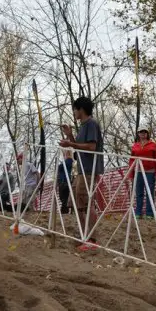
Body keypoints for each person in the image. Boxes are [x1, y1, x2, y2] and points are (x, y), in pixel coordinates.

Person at [60, 96, 104, 251]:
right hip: (81, 170)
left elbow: (91, 147)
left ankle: (92, 239)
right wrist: (70, 135)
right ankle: (84, 235)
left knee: (87, 203)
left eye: (75, 109)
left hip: (89, 170)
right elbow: (79, 148)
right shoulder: (83, 126)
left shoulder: (91, 124)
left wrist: (70, 143)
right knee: (75, 203)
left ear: (81, 109)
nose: (74, 112)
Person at [129, 128, 156, 219]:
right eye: (141, 132)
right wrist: (131, 174)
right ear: (138, 134)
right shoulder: (135, 145)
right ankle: (138, 212)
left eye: (145, 132)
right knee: (139, 193)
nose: (143, 133)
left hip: (150, 172)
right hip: (138, 171)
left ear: (147, 134)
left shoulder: (153, 144)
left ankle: (149, 213)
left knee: (150, 192)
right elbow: (131, 160)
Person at [57, 150, 74, 214]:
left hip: (64, 181)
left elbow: (61, 167)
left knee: (64, 197)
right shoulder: (66, 161)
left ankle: (65, 211)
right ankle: (66, 210)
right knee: (63, 197)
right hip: (63, 180)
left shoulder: (69, 161)